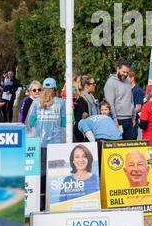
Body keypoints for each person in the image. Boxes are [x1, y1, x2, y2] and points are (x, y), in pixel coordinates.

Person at [27, 77, 66, 210]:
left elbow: (30, 122)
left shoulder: (36, 103)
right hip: (56, 144)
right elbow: (64, 124)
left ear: (43, 89)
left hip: (41, 144)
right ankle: (55, 203)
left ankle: (41, 204)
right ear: (55, 89)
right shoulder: (61, 103)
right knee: (56, 173)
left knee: (42, 173)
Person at [78, 100, 122, 171]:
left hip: (103, 139)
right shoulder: (108, 118)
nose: (103, 111)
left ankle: (98, 174)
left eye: (105, 109)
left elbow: (91, 138)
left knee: (98, 160)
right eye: (102, 110)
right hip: (118, 139)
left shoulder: (82, 122)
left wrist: (95, 146)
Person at [104, 60, 135, 140]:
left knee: (127, 146)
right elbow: (109, 103)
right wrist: (114, 120)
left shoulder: (128, 82)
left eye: (127, 73)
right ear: (118, 69)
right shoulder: (110, 83)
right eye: (123, 72)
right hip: (118, 120)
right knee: (119, 145)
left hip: (129, 119)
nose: (125, 74)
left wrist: (133, 117)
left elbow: (131, 99)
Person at [74, 75, 99, 142]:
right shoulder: (81, 99)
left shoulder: (91, 98)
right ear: (86, 86)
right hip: (84, 136)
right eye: (93, 84)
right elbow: (79, 120)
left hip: (92, 131)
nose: (95, 85)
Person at [128, 70, 145, 140]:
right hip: (124, 120)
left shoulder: (138, 91)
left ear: (132, 78)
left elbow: (138, 108)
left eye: (126, 78)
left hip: (132, 120)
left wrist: (126, 113)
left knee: (131, 140)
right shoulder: (125, 90)